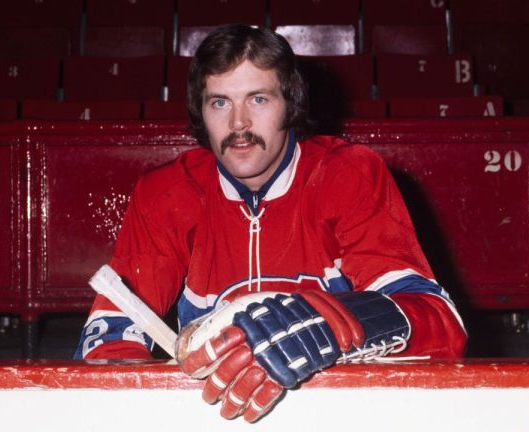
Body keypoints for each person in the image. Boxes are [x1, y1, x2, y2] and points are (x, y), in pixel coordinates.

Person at [75, 23, 467, 422]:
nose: (239, 124)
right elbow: (110, 338)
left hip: (339, 408)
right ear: (201, 111)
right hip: (216, 411)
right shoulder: (166, 193)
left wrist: (342, 323)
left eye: (258, 99)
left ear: (290, 103)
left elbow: (438, 320)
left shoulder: (347, 175)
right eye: (220, 103)